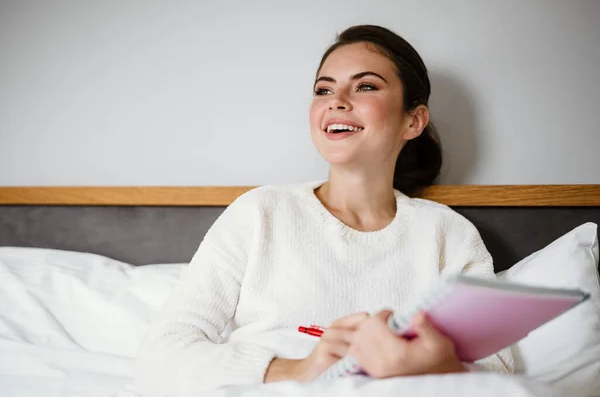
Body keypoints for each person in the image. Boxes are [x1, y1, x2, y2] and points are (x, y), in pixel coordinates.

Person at [134, 24, 514, 396]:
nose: (336, 100)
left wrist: (424, 367)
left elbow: (496, 373)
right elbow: (160, 357)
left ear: (412, 121)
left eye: (365, 86)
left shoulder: (449, 235)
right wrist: (297, 370)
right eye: (323, 89)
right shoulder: (260, 214)